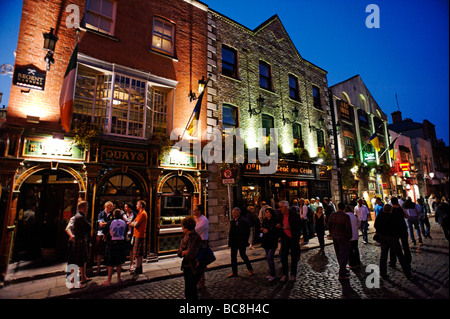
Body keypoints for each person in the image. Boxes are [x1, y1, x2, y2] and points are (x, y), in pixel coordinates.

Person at [374, 204, 412, 280]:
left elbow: (376, 225)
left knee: (383, 256)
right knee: (400, 255)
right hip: (393, 237)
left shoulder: (380, 215)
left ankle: (383, 273)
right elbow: (398, 226)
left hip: (383, 238)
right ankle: (407, 273)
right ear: (390, 210)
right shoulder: (393, 216)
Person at [177, 216, 205, 299]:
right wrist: (183, 252)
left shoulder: (195, 237)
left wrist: (184, 253)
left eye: (183, 226)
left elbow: (191, 253)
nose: (182, 228)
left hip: (194, 267)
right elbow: (179, 252)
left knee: (191, 290)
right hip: (186, 267)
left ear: (187, 227)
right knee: (188, 289)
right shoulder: (185, 237)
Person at [67, 201, 91, 288]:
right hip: (78, 241)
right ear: (83, 208)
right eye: (87, 207)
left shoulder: (79, 216)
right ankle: (73, 283)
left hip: (79, 240)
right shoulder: (79, 217)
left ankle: (82, 278)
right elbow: (88, 227)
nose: (87, 208)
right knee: (75, 262)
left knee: (80, 260)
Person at [101, 209, 127, 286]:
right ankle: (119, 279)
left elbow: (105, 233)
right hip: (121, 243)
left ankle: (109, 280)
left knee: (110, 263)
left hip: (111, 243)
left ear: (113, 215)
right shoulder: (124, 222)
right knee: (119, 262)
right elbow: (125, 233)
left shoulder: (110, 222)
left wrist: (106, 239)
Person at [276, 201, 301, 282]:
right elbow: (279, 223)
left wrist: (289, 227)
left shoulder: (294, 215)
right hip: (285, 238)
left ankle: (293, 274)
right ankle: (285, 274)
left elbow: (298, 227)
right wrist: (279, 226)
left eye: (281, 207)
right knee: (284, 257)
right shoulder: (280, 215)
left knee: (294, 258)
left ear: (286, 207)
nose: (280, 209)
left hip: (293, 239)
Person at [328, 202, 352, 280]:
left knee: (338, 253)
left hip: (335, 236)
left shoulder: (332, 215)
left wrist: (331, 233)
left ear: (338, 207)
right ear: (344, 208)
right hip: (343, 237)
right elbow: (348, 228)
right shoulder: (345, 217)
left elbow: (329, 225)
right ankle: (342, 273)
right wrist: (349, 237)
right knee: (344, 254)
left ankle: (343, 269)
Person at [227, 207, 253, 278]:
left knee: (243, 255)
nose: (233, 214)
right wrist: (230, 242)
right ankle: (234, 272)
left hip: (241, 242)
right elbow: (231, 233)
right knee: (233, 257)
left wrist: (245, 240)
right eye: (232, 213)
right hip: (234, 242)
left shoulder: (243, 221)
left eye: (234, 212)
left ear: (238, 213)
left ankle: (250, 269)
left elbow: (247, 232)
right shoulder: (232, 221)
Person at [389, 197, 412, 269]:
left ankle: (393, 262)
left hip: (394, 230)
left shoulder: (391, 210)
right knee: (405, 246)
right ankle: (407, 261)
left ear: (392, 202)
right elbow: (407, 216)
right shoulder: (401, 209)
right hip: (402, 229)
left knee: (393, 247)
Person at [260, 207, 279, 281]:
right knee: (268, 258)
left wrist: (268, 231)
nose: (266, 213)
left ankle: (273, 274)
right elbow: (263, 227)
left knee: (270, 257)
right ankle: (271, 273)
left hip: (272, 241)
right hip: (266, 241)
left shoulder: (274, 221)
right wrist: (262, 230)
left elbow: (274, 230)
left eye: (267, 212)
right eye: (265, 212)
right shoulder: (265, 220)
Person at [129, 200, 147, 276]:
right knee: (139, 254)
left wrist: (131, 224)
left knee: (136, 254)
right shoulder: (140, 213)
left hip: (139, 235)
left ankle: (137, 268)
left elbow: (135, 224)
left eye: (137, 204)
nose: (136, 205)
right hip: (137, 234)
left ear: (141, 206)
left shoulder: (142, 214)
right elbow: (134, 222)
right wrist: (132, 223)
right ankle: (139, 268)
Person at [193, 204, 209, 290]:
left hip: (202, 243)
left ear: (199, 211)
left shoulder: (204, 220)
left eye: (195, 210)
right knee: (196, 262)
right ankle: (198, 281)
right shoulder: (196, 219)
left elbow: (195, 230)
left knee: (200, 263)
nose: (194, 211)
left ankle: (201, 282)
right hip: (196, 243)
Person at [122, 203, 136, 271]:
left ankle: (131, 265)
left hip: (132, 234)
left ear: (130, 208)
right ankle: (121, 264)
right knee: (122, 249)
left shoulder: (134, 214)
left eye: (126, 207)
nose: (125, 208)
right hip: (124, 234)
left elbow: (136, 222)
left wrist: (132, 224)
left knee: (131, 249)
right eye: (124, 207)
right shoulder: (123, 215)